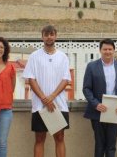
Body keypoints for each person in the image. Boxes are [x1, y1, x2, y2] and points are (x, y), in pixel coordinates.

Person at [23, 25, 71, 157]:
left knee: (60, 138)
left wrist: (52, 97)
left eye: (51, 34)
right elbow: (31, 79)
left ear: (56, 36)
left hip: (59, 105)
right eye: (46, 34)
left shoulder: (63, 57)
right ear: (42, 37)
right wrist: (44, 99)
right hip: (39, 106)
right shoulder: (34, 56)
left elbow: (66, 79)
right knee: (39, 139)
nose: (49, 37)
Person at [83, 38, 117, 157]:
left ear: (114, 50)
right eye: (105, 49)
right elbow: (86, 88)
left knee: (111, 145)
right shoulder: (91, 66)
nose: (107, 52)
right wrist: (96, 104)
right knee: (99, 144)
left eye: (110, 49)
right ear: (100, 50)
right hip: (98, 110)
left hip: (115, 111)